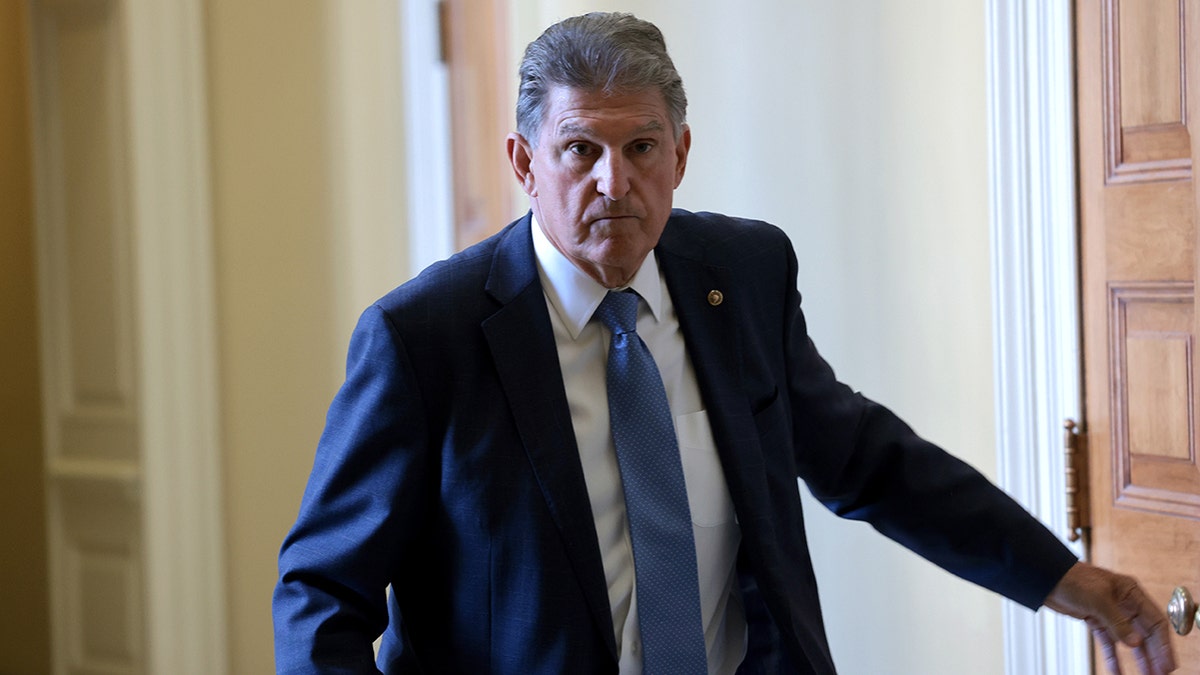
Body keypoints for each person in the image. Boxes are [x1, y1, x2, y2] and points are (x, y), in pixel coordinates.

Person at [273, 12, 1176, 675]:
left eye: (641, 147)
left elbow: (866, 460)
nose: (611, 181)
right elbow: (322, 596)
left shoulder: (741, 273)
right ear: (523, 162)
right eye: (579, 149)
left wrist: (1063, 579)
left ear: (681, 153)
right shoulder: (423, 337)